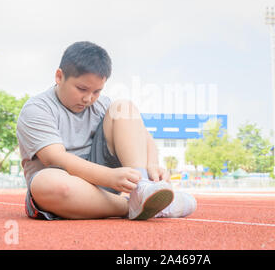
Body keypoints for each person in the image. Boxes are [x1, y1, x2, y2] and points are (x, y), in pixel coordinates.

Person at [16, 41, 197, 220]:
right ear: (59, 76)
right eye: (82, 89)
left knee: (124, 108)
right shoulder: (37, 109)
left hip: (105, 186)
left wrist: (152, 165)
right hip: (67, 187)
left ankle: (142, 188)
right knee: (46, 183)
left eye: (97, 91)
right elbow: (55, 158)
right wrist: (109, 176)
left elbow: (143, 135)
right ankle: (133, 206)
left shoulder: (102, 105)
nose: (89, 98)